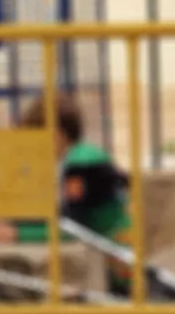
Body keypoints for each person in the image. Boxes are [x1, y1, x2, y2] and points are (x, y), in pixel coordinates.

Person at [54, 101, 133, 240]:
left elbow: (74, 226)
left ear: (57, 134)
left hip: (111, 248)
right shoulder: (82, 154)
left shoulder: (79, 163)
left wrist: (21, 233)